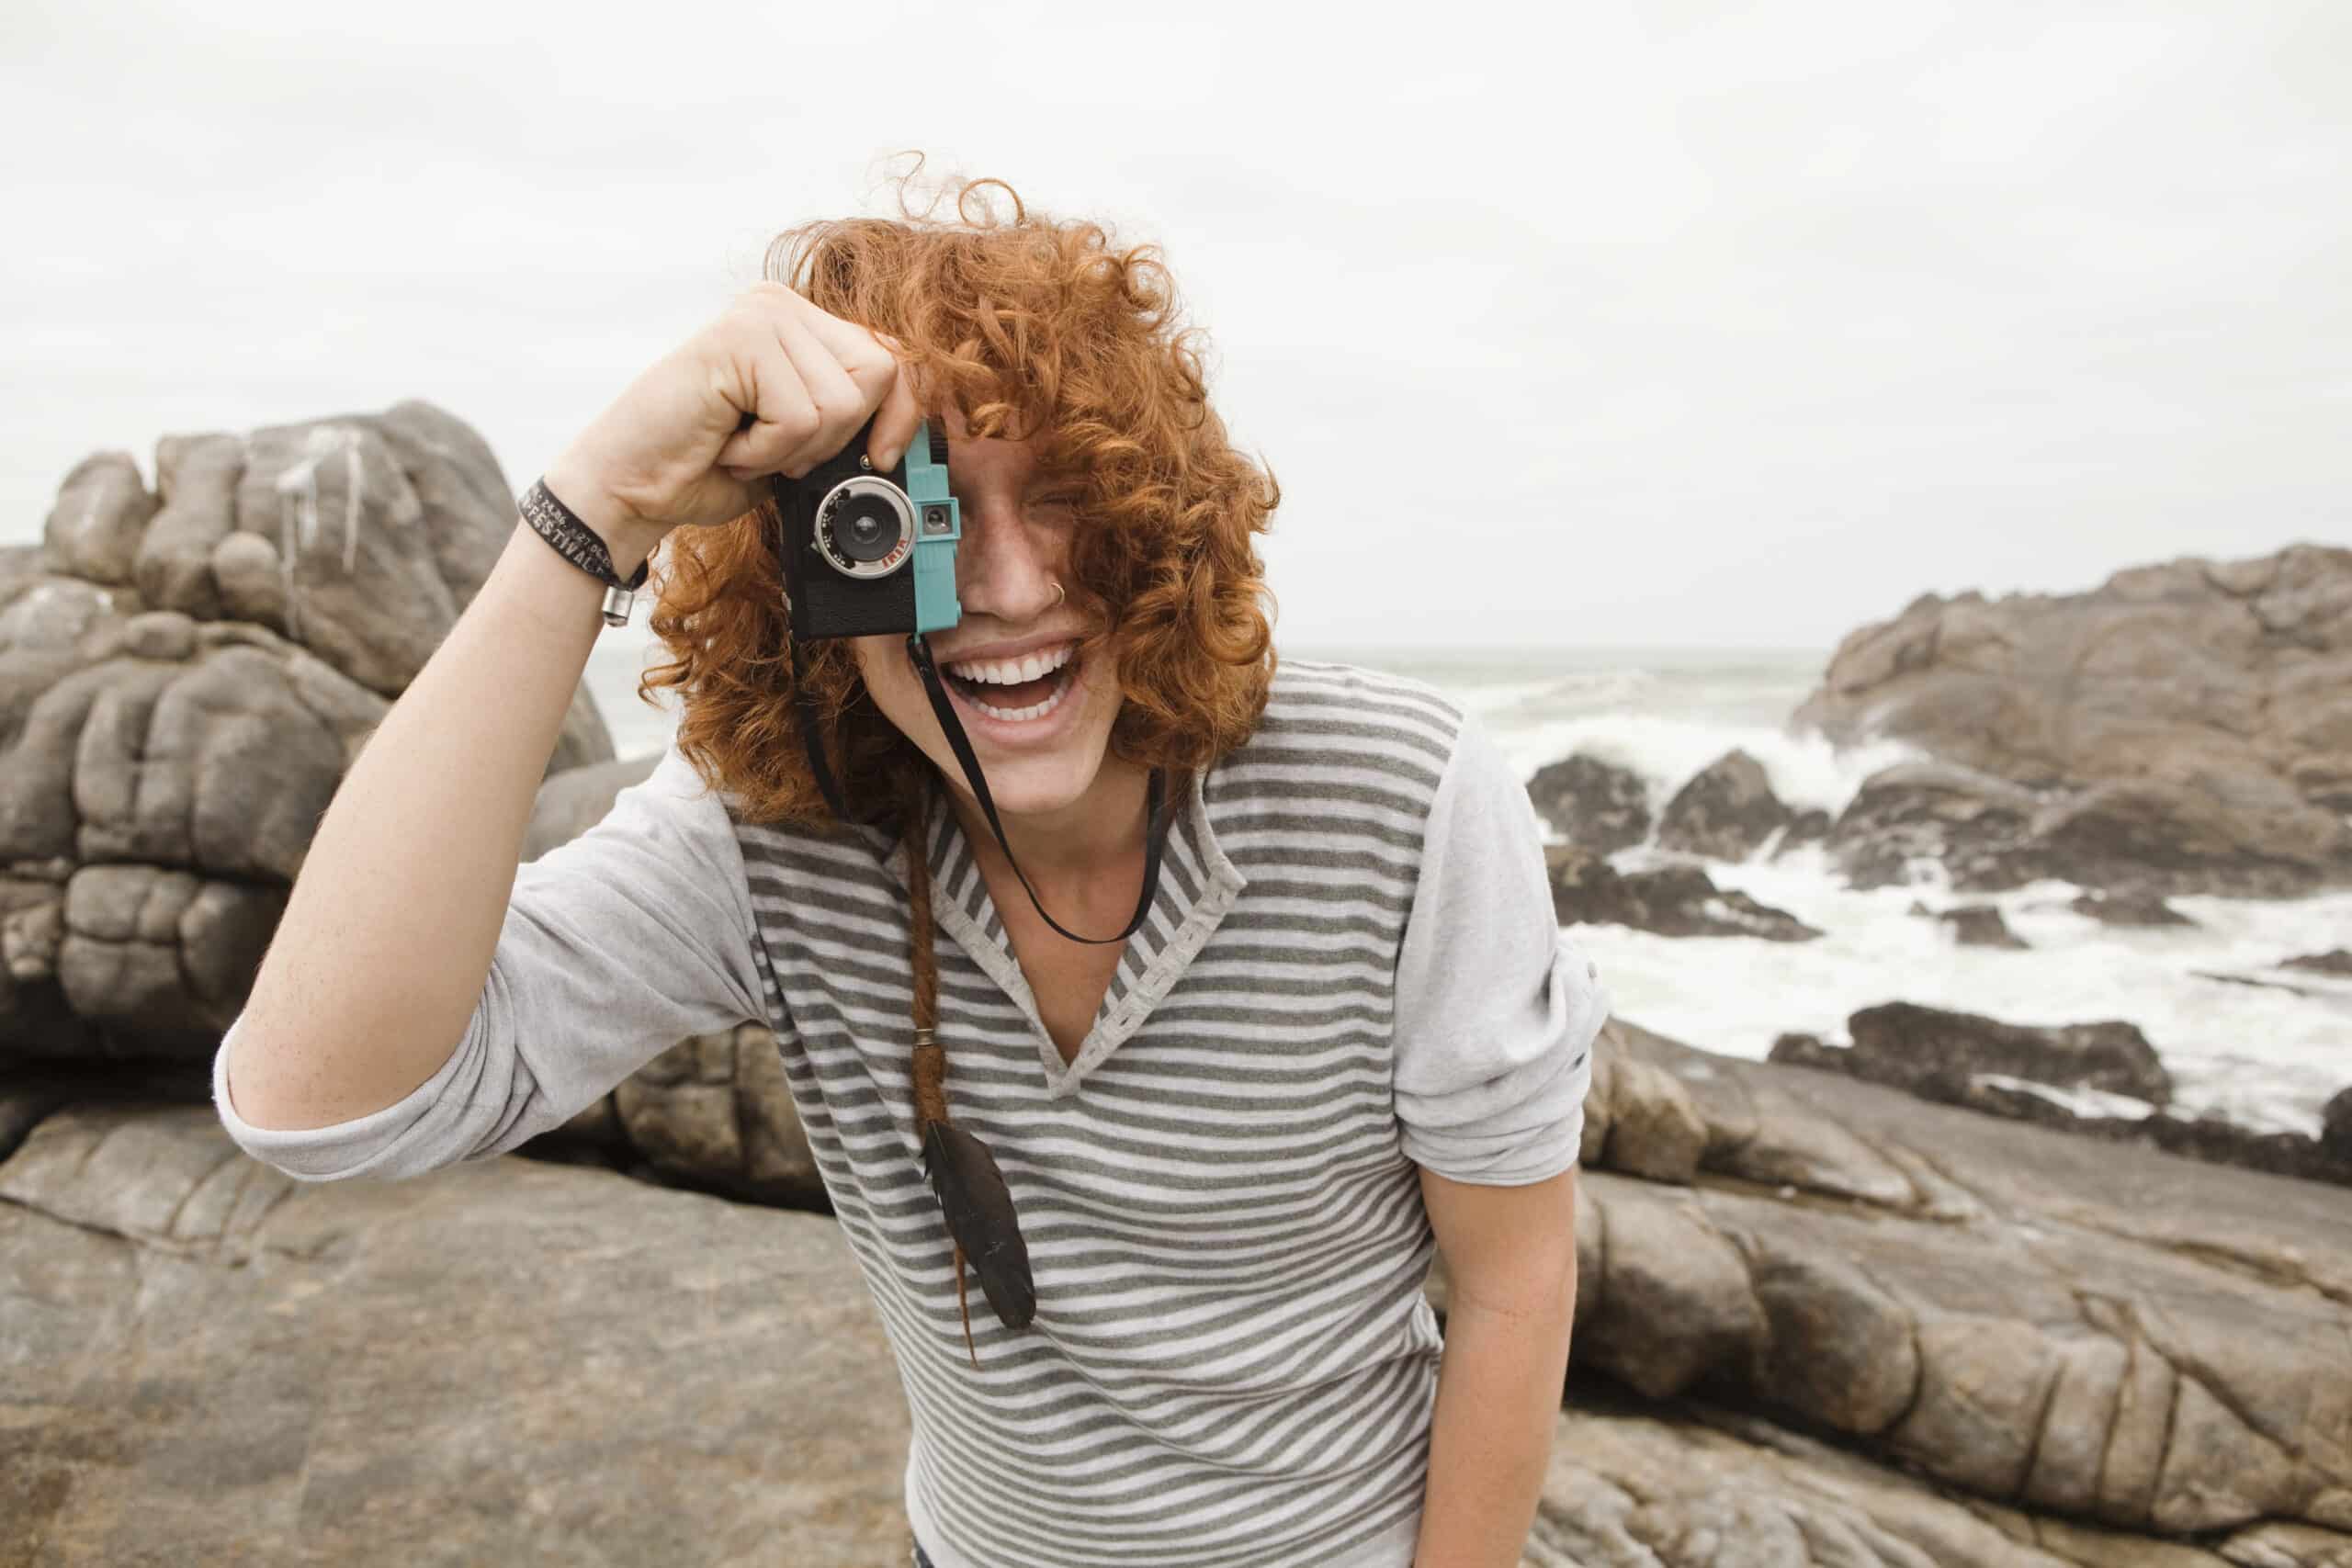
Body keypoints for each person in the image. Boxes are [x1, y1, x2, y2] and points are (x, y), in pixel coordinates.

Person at [213, 169, 1607, 1568]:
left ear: (1156, 517)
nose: (1000, 586)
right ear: (802, 573)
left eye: (1062, 498)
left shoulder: (1398, 794)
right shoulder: (771, 828)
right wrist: (597, 508)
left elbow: (1510, 1276)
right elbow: (322, 1104)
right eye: (897, 517)